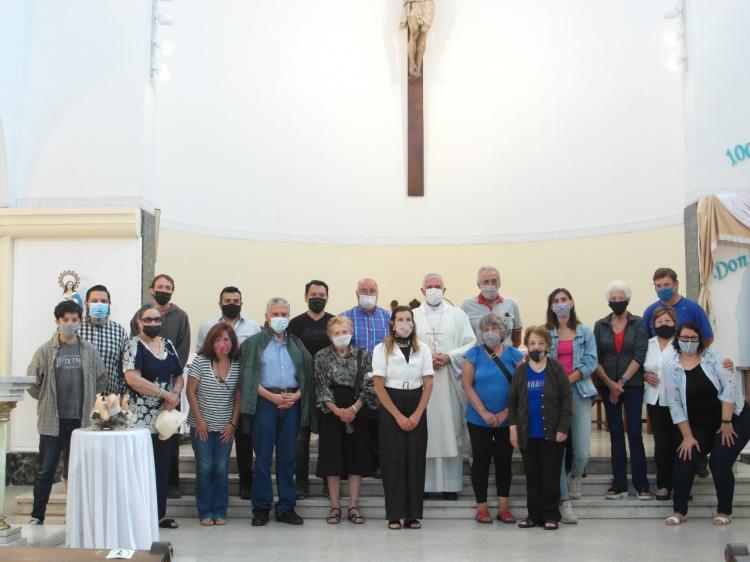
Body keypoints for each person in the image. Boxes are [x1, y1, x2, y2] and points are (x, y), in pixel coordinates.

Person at [27, 300, 107, 525]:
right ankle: (37, 516)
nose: (70, 324)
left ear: (80, 321)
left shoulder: (89, 350)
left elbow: (101, 379)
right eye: (65, 320)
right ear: (57, 322)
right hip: (53, 420)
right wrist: (46, 400)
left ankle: (77, 516)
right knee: (46, 469)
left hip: (81, 421)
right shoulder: (45, 350)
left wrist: (91, 399)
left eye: (74, 320)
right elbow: (33, 382)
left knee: (78, 471)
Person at [664, 322, 750, 526]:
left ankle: (724, 511)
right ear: (677, 339)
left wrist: (727, 421)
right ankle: (680, 512)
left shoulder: (713, 358)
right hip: (699, 424)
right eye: (684, 338)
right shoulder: (672, 366)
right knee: (685, 457)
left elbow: (729, 389)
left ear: (700, 340)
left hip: (733, 418)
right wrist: (687, 436)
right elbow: (674, 404)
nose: (689, 342)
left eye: (693, 339)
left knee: (719, 462)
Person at [238, 298, 314, 527]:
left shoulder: (298, 345)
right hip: (265, 403)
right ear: (267, 316)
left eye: (284, 314)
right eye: (276, 314)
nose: (280, 318)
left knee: (287, 458)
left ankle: (286, 507)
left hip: (291, 404)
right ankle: (261, 508)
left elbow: (307, 376)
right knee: (262, 458)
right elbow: (247, 378)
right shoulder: (254, 343)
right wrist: (271, 397)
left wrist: (297, 395)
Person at [412, 273, 475, 500]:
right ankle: (426, 485)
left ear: (445, 290)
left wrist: (449, 356)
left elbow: (472, 343)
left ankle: (450, 485)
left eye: (438, 286)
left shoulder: (458, 315)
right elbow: (405, 343)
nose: (434, 289)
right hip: (422, 383)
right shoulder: (413, 316)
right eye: (429, 286)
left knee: (449, 429)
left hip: (449, 380)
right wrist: (425, 359)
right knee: (426, 433)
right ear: (422, 291)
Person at [371, 306, 434, 530]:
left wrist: (417, 414)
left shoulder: (423, 348)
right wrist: (398, 416)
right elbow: (378, 385)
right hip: (392, 403)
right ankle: (395, 514)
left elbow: (428, 384)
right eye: (400, 319)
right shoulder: (381, 349)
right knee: (393, 460)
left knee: (415, 460)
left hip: (416, 401)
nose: (405, 323)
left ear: (413, 323)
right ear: (392, 323)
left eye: (409, 319)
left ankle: (413, 514)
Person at [195, 286, 259, 500]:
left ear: (242, 302)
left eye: (236, 300)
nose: (232, 303)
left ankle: (246, 483)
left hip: (243, 387)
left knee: (244, 439)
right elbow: (200, 356)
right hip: (215, 390)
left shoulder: (253, 326)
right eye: (227, 300)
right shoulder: (207, 326)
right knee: (212, 452)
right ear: (220, 302)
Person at [130, 274, 191, 499]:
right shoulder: (138, 321)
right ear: (151, 289)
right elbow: (134, 360)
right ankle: (145, 493)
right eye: (160, 287)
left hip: (169, 395)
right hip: (144, 396)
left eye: (168, 287)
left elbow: (181, 355)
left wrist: (173, 392)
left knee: (168, 441)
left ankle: (170, 484)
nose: (164, 290)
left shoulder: (180, 317)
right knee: (145, 448)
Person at [123, 306, 184, 529]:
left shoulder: (167, 344)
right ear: (139, 322)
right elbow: (132, 379)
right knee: (141, 470)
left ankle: (158, 515)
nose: (152, 323)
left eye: (156, 320)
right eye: (147, 320)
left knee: (161, 468)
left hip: (165, 420)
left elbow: (178, 376)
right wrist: (163, 393)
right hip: (140, 420)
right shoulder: (133, 345)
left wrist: (175, 394)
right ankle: (139, 517)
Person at [314, 316, 378, 525]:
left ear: (351, 333)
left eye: (345, 332)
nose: (341, 336)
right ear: (330, 335)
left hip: (356, 412)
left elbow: (370, 386)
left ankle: (353, 506)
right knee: (332, 461)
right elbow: (321, 387)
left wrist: (353, 408)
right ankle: (335, 507)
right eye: (337, 333)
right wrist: (337, 411)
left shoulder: (363, 355)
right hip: (331, 414)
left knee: (355, 461)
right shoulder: (321, 356)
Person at [508, 326, 572, 531]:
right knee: (533, 476)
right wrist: (513, 429)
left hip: (552, 433)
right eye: (532, 343)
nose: (536, 347)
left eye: (541, 343)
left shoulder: (555, 368)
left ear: (548, 346)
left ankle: (551, 515)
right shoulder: (520, 371)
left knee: (551, 476)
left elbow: (566, 399)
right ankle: (533, 515)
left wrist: (563, 427)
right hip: (528, 433)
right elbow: (513, 403)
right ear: (526, 346)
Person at [462, 314, 522, 524]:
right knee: (480, 462)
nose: (490, 333)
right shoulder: (474, 353)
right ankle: (482, 508)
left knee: (504, 462)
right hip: (478, 419)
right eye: (485, 329)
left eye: (494, 329)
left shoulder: (515, 355)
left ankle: (504, 508)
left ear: (503, 332)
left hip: (507, 419)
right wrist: (484, 413)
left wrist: (505, 413)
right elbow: (467, 384)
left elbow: (520, 387)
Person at [593, 281, 651, 500]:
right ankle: (619, 484)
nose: (617, 302)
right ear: (608, 301)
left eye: (620, 298)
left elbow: (640, 354)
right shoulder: (600, 325)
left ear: (628, 299)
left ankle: (642, 484)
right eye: (613, 299)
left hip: (633, 385)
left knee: (635, 433)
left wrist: (622, 382)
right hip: (607, 385)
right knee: (615, 434)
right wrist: (610, 384)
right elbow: (595, 357)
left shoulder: (639, 323)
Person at [546, 288, 598, 524]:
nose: (560, 304)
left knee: (582, 449)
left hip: (579, 391)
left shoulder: (585, 331)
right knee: (558, 448)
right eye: (555, 301)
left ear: (572, 302)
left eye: (564, 300)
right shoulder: (547, 332)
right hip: (553, 395)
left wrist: (569, 379)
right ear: (551, 306)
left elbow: (591, 361)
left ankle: (575, 475)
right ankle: (563, 499)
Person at [186, 322, 241, 526]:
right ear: (211, 341)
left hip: (225, 427)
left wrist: (233, 424)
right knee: (205, 467)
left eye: (226, 339)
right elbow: (190, 392)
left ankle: (220, 511)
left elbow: (238, 397)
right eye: (218, 339)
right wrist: (200, 421)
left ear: (232, 342)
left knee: (221, 468)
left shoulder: (237, 364)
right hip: (202, 426)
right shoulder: (201, 362)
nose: (222, 343)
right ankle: (205, 511)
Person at [341, 277, 391, 477]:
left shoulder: (389, 318)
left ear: (378, 293)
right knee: (358, 425)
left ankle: (379, 464)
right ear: (356, 293)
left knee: (379, 424)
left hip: (382, 380)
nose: (368, 294)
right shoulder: (345, 317)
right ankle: (359, 465)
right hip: (354, 382)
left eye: (372, 290)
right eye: (364, 290)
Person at [289, 280, 334, 499]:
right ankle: (302, 483)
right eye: (314, 294)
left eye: (322, 294)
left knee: (327, 437)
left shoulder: (334, 322)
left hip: (329, 388)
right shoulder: (295, 324)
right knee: (301, 438)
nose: (318, 298)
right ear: (306, 297)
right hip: (301, 388)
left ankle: (328, 481)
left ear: (327, 297)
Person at [643, 306, 679, 501]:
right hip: (655, 400)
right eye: (659, 322)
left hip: (679, 401)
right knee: (662, 444)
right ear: (653, 325)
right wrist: (645, 374)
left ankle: (682, 484)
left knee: (679, 443)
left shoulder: (682, 344)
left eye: (667, 321)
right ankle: (664, 485)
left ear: (674, 323)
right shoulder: (648, 344)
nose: (663, 325)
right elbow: (640, 366)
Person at [79, 284, 129, 395]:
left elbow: (124, 368)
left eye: (103, 301)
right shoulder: (75, 327)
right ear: (86, 303)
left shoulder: (119, 331)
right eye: (94, 301)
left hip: (109, 400)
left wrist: (122, 396)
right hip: (78, 398)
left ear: (109, 304)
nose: (99, 304)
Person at [643, 267, 714, 345]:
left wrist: (693, 355)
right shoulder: (650, 312)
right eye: (658, 286)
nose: (662, 289)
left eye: (666, 285)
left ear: (676, 284)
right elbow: (644, 341)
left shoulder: (693, 309)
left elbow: (708, 338)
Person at [460, 266, 522, 347]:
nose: (490, 285)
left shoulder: (511, 304)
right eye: (486, 282)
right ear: (478, 285)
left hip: (506, 358)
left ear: (499, 283)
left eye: (494, 281)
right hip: (478, 357)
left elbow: (516, 335)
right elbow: (462, 336)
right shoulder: (467, 305)